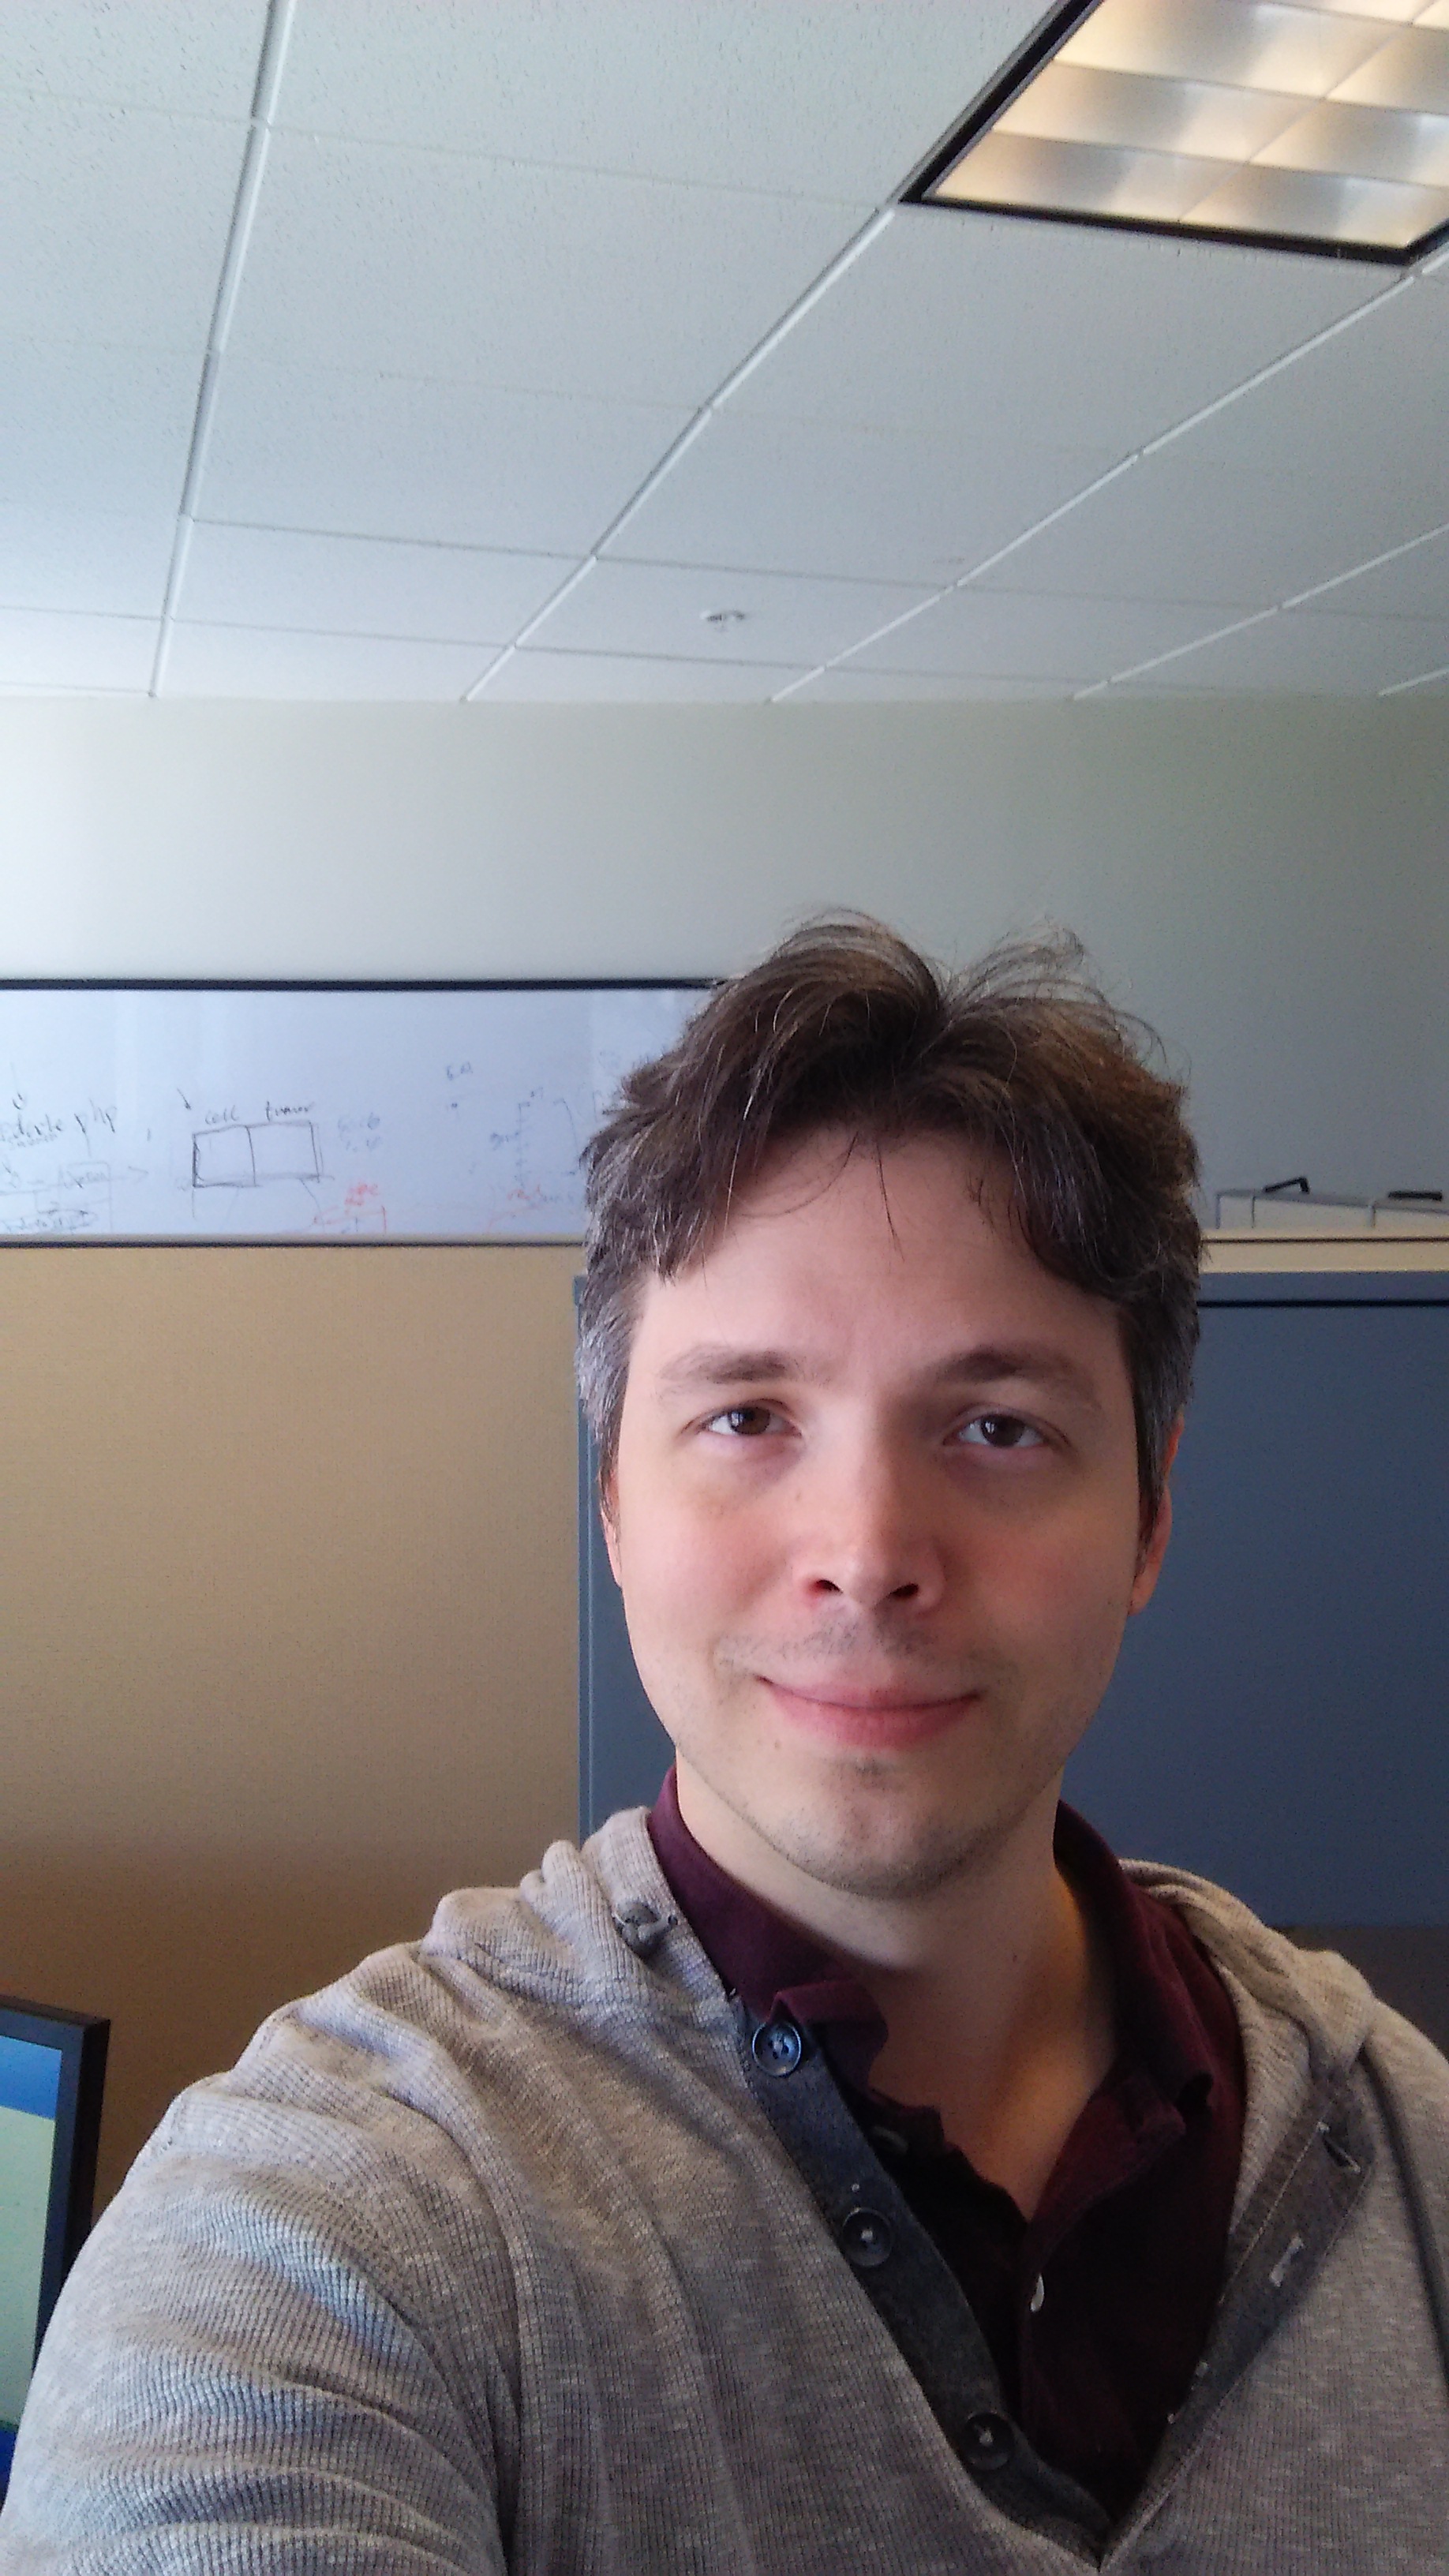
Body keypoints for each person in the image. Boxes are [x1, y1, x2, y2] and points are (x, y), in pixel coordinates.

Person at [3, 919, 1446, 2571]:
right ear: (615, 1503)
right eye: (748, 1417)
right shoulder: (332, 2225)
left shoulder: (1398, 2153)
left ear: (1151, 1520)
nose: (868, 1551)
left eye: (999, 1427)